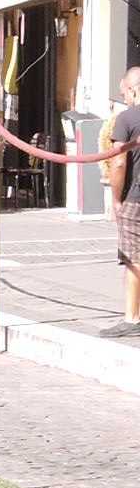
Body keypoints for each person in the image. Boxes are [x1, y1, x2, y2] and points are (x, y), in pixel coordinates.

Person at [102, 65, 140, 338]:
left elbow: (118, 162)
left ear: (133, 90)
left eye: (124, 92)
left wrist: (115, 199)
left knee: (133, 257)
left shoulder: (126, 118)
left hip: (135, 199)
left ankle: (131, 317)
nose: (124, 98)